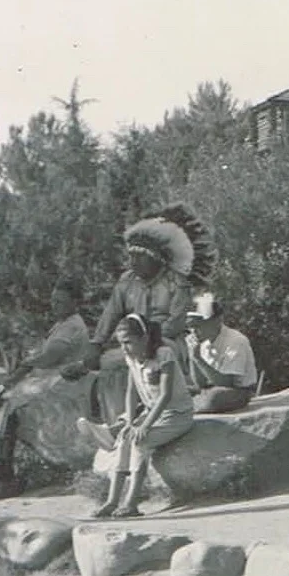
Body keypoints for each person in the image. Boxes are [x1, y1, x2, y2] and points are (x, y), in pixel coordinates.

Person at [63, 205, 214, 425]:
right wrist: (96, 343)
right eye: (130, 256)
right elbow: (111, 313)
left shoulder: (177, 283)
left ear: (157, 258)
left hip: (169, 343)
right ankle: (115, 423)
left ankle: (133, 419)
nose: (132, 262)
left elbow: (176, 323)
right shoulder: (127, 281)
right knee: (109, 364)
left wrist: (147, 340)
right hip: (135, 340)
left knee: (135, 361)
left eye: (139, 257)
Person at [82, 314, 195, 518]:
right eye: (121, 343)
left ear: (144, 338)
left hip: (177, 414)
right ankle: (111, 501)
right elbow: (131, 392)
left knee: (140, 442)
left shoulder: (164, 354)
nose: (124, 348)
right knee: (125, 436)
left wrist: (145, 426)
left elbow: (165, 394)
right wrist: (132, 422)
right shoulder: (132, 359)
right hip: (152, 412)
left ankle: (131, 503)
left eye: (128, 342)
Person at [0, 278, 92, 479]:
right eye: (54, 301)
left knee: (3, 400)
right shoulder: (63, 324)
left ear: (75, 303)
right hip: (55, 379)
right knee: (2, 398)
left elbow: (50, 356)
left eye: (61, 302)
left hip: (63, 382)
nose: (55, 306)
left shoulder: (72, 326)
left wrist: (24, 366)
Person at [184, 292, 259, 414]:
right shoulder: (202, 341)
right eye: (191, 326)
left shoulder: (236, 340)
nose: (194, 331)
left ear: (217, 320)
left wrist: (198, 359)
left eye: (198, 325)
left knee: (214, 397)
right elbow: (200, 384)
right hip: (210, 389)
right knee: (176, 390)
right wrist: (193, 356)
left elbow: (227, 383)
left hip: (238, 391)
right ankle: (191, 406)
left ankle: (190, 407)